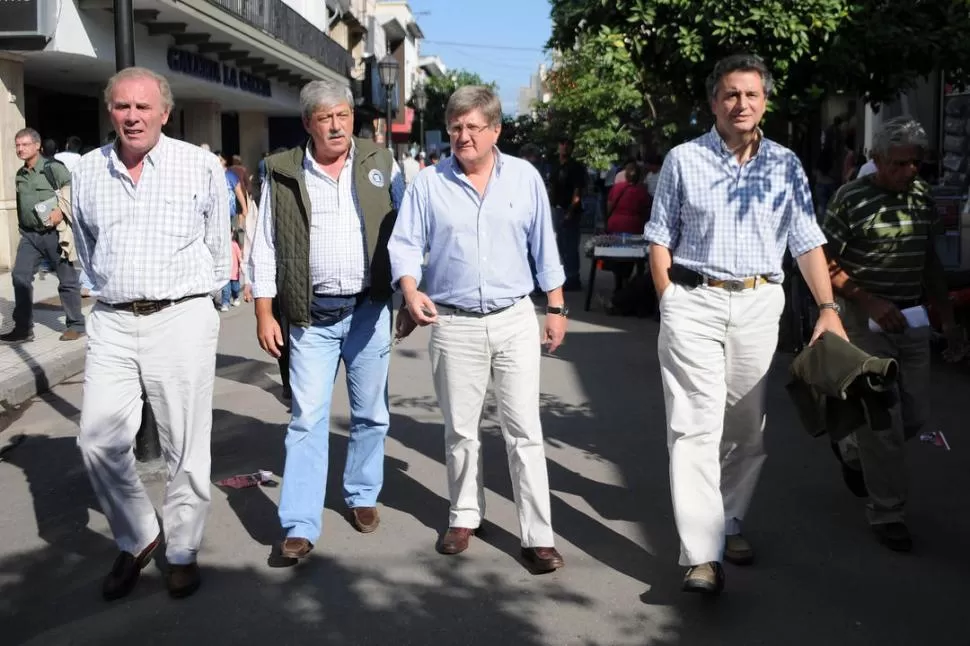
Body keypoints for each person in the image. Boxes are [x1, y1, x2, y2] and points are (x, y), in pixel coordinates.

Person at [644, 54, 847, 596]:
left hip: (760, 304)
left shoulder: (785, 165)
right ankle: (701, 554)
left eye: (752, 95)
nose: (742, 104)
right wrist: (670, 301)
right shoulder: (683, 160)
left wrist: (828, 308)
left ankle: (730, 519)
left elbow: (805, 240)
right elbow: (659, 236)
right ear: (714, 102)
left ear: (764, 102)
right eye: (731, 94)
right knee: (693, 426)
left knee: (746, 428)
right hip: (695, 301)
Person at [388, 85, 567, 574]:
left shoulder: (525, 178)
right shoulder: (429, 183)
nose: (462, 136)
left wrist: (556, 306)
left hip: (513, 318)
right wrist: (409, 289)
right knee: (461, 429)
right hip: (454, 322)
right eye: (455, 127)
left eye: (472, 127)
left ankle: (537, 535)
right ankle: (465, 513)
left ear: (495, 131)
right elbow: (404, 245)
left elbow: (544, 244)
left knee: (524, 430)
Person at [73, 67, 230, 600]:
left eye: (143, 107)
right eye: (122, 107)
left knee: (185, 444)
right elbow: (87, 245)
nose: (132, 117)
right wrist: (105, 294)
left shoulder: (199, 165)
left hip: (180, 315)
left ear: (165, 111)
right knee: (96, 438)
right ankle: (139, 536)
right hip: (115, 318)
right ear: (110, 111)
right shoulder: (88, 171)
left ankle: (182, 551)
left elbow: (217, 241)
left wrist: (205, 304)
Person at [250, 80, 405, 560]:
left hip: (369, 310)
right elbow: (264, 246)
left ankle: (361, 494)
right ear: (308, 124)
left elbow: (406, 232)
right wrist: (263, 312)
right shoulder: (280, 172)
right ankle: (299, 522)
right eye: (325, 118)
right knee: (306, 420)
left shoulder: (381, 162)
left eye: (342, 115)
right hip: (311, 316)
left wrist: (409, 291)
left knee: (371, 414)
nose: (336, 126)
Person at [823, 117, 965, 553]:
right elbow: (823, 263)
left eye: (915, 164)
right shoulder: (850, 199)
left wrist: (950, 321)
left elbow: (930, 262)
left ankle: (850, 448)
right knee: (883, 421)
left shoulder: (922, 198)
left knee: (915, 417)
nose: (909, 172)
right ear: (878, 160)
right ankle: (888, 512)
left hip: (912, 319)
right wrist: (868, 302)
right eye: (899, 164)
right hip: (865, 322)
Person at [3, 127, 85, 344]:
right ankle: (23, 328)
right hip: (30, 235)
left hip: (53, 234)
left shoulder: (52, 168)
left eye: (25, 144)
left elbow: (73, 189)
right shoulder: (21, 175)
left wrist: (60, 209)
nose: (20, 149)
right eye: (18, 145)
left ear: (37, 146)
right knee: (20, 277)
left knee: (66, 280)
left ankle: (76, 324)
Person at [606, 160, 651, 295]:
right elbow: (646, 211)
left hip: (615, 226)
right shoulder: (642, 192)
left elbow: (608, 207)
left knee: (617, 256)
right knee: (633, 258)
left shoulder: (616, 188)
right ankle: (629, 285)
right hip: (634, 228)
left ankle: (618, 284)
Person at [549, 137, 586, 291]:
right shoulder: (556, 165)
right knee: (560, 245)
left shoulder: (576, 167)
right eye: (562, 143)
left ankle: (573, 278)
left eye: (567, 144)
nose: (564, 147)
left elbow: (578, 190)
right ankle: (564, 275)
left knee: (570, 244)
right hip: (556, 208)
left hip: (569, 209)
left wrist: (571, 210)